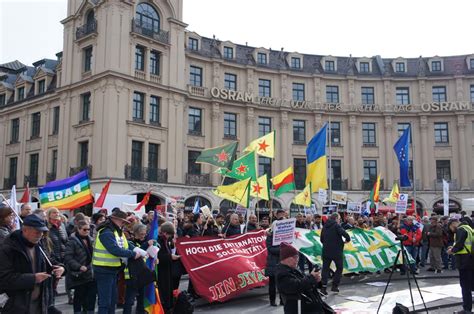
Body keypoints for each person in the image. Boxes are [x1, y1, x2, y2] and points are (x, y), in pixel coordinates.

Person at [0, 214, 65, 313]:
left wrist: (61, 268)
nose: (40, 235)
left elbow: (50, 262)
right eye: (37, 232)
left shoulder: (39, 245)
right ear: (25, 230)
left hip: (39, 304)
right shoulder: (8, 248)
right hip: (17, 306)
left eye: (42, 232)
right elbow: (5, 279)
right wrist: (33, 278)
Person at [92, 209, 140, 314]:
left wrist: (139, 250)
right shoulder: (106, 232)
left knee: (112, 301)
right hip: (104, 270)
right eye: (122, 221)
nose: (123, 224)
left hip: (112, 270)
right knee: (105, 303)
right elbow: (114, 250)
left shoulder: (116, 231)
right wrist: (133, 254)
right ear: (115, 219)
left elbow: (127, 244)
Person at [276, 242, 334, 314]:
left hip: (312, 305)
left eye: (297, 257)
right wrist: (311, 277)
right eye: (295, 257)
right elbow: (296, 286)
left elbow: (305, 282)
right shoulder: (282, 273)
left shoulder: (294, 269)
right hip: (301, 308)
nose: (297, 260)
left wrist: (317, 280)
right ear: (287, 258)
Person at [64, 220, 97, 314]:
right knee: (79, 297)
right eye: (84, 229)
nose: (87, 231)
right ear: (78, 229)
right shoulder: (72, 241)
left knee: (91, 297)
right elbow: (68, 257)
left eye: (88, 229)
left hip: (91, 272)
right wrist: (79, 266)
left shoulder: (90, 239)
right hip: (79, 274)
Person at [320, 212, 351, 295]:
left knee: (325, 269)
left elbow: (321, 239)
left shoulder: (325, 226)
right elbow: (345, 233)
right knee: (339, 268)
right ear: (336, 218)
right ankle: (335, 286)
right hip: (336, 251)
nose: (339, 220)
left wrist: (327, 244)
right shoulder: (336, 225)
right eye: (339, 219)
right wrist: (347, 240)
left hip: (326, 251)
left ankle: (323, 288)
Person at [447, 218, 474, 313]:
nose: (451, 230)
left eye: (450, 227)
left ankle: (467, 309)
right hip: (470, 259)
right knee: (470, 285)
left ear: (453, 224)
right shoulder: (469, 228)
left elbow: (460, 244)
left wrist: (452, 250)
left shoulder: (460, 229)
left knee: (465, 286)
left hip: (464, 261)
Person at [157, 222, 180, 314]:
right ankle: (164, 308)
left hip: (167, 268)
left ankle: (168, 307)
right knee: (163, 290)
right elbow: (159, 256)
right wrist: (170, 257)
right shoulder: (158, 241)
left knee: (168, 289)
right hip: (161, 270)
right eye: (169, 235)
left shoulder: (165, 240)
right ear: (165, 233)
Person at [265, 209, 285, 306]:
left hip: (282, 262)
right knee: (272, 284)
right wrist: (281, 250)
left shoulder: (284, 236)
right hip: (273, 262)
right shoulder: (270, 236)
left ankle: (282, 300)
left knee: (282, 283)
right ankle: (272, 301)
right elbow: (270, 249)